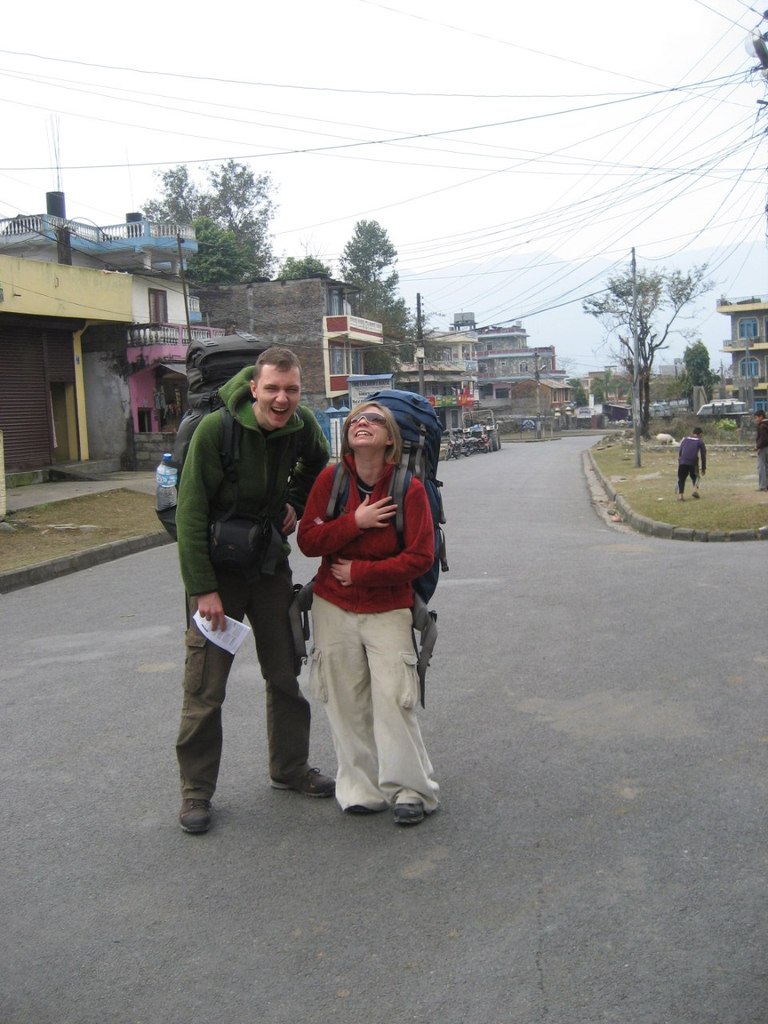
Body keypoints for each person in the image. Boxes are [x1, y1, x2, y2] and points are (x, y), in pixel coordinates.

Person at [174, 347, 334, 834]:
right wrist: (203, 589)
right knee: (207, 686)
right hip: (219, 572)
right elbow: (191, 512)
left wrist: (295, 501)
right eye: (273, 389)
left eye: (291, 390)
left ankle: (289, 767)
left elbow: (319, 467)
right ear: (253, 388)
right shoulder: (215, 430)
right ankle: (196, 792)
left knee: (285, 672)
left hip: (268, 565)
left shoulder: (302, 425)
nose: (282, 399)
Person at [297, 402, 440, 826]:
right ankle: (361, 789)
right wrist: (355, 522)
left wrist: (362, 571)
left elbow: (421, 557)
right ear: (347, 435)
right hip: (332, 608)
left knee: (394, 700)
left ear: (390, 439)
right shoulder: (332, 478)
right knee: (344, 701)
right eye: (357, 419)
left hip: (388, 609)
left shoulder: (407, 488)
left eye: (374, 420)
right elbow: (308, 539)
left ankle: (411, 790)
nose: (362, 423)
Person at [676, 427, 706, 501]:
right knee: (696, 477)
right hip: (693, 462)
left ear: (693, 433)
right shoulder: (700, 442)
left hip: (682, 461)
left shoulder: (685, 439)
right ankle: (695, 491)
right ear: (700, 434)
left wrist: (680, 460)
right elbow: (703, 455)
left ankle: (681, 496)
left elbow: (680, 450)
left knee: (681, 479)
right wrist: (703, 468)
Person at [754, 410, 768, 491]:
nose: (756, 419)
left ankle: (763, 486)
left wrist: (757, 447)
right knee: (766, 467)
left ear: (761, 417)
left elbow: (763, 439)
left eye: (756, 417)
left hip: (763, 448)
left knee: (761, 467)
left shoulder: (762, 426)